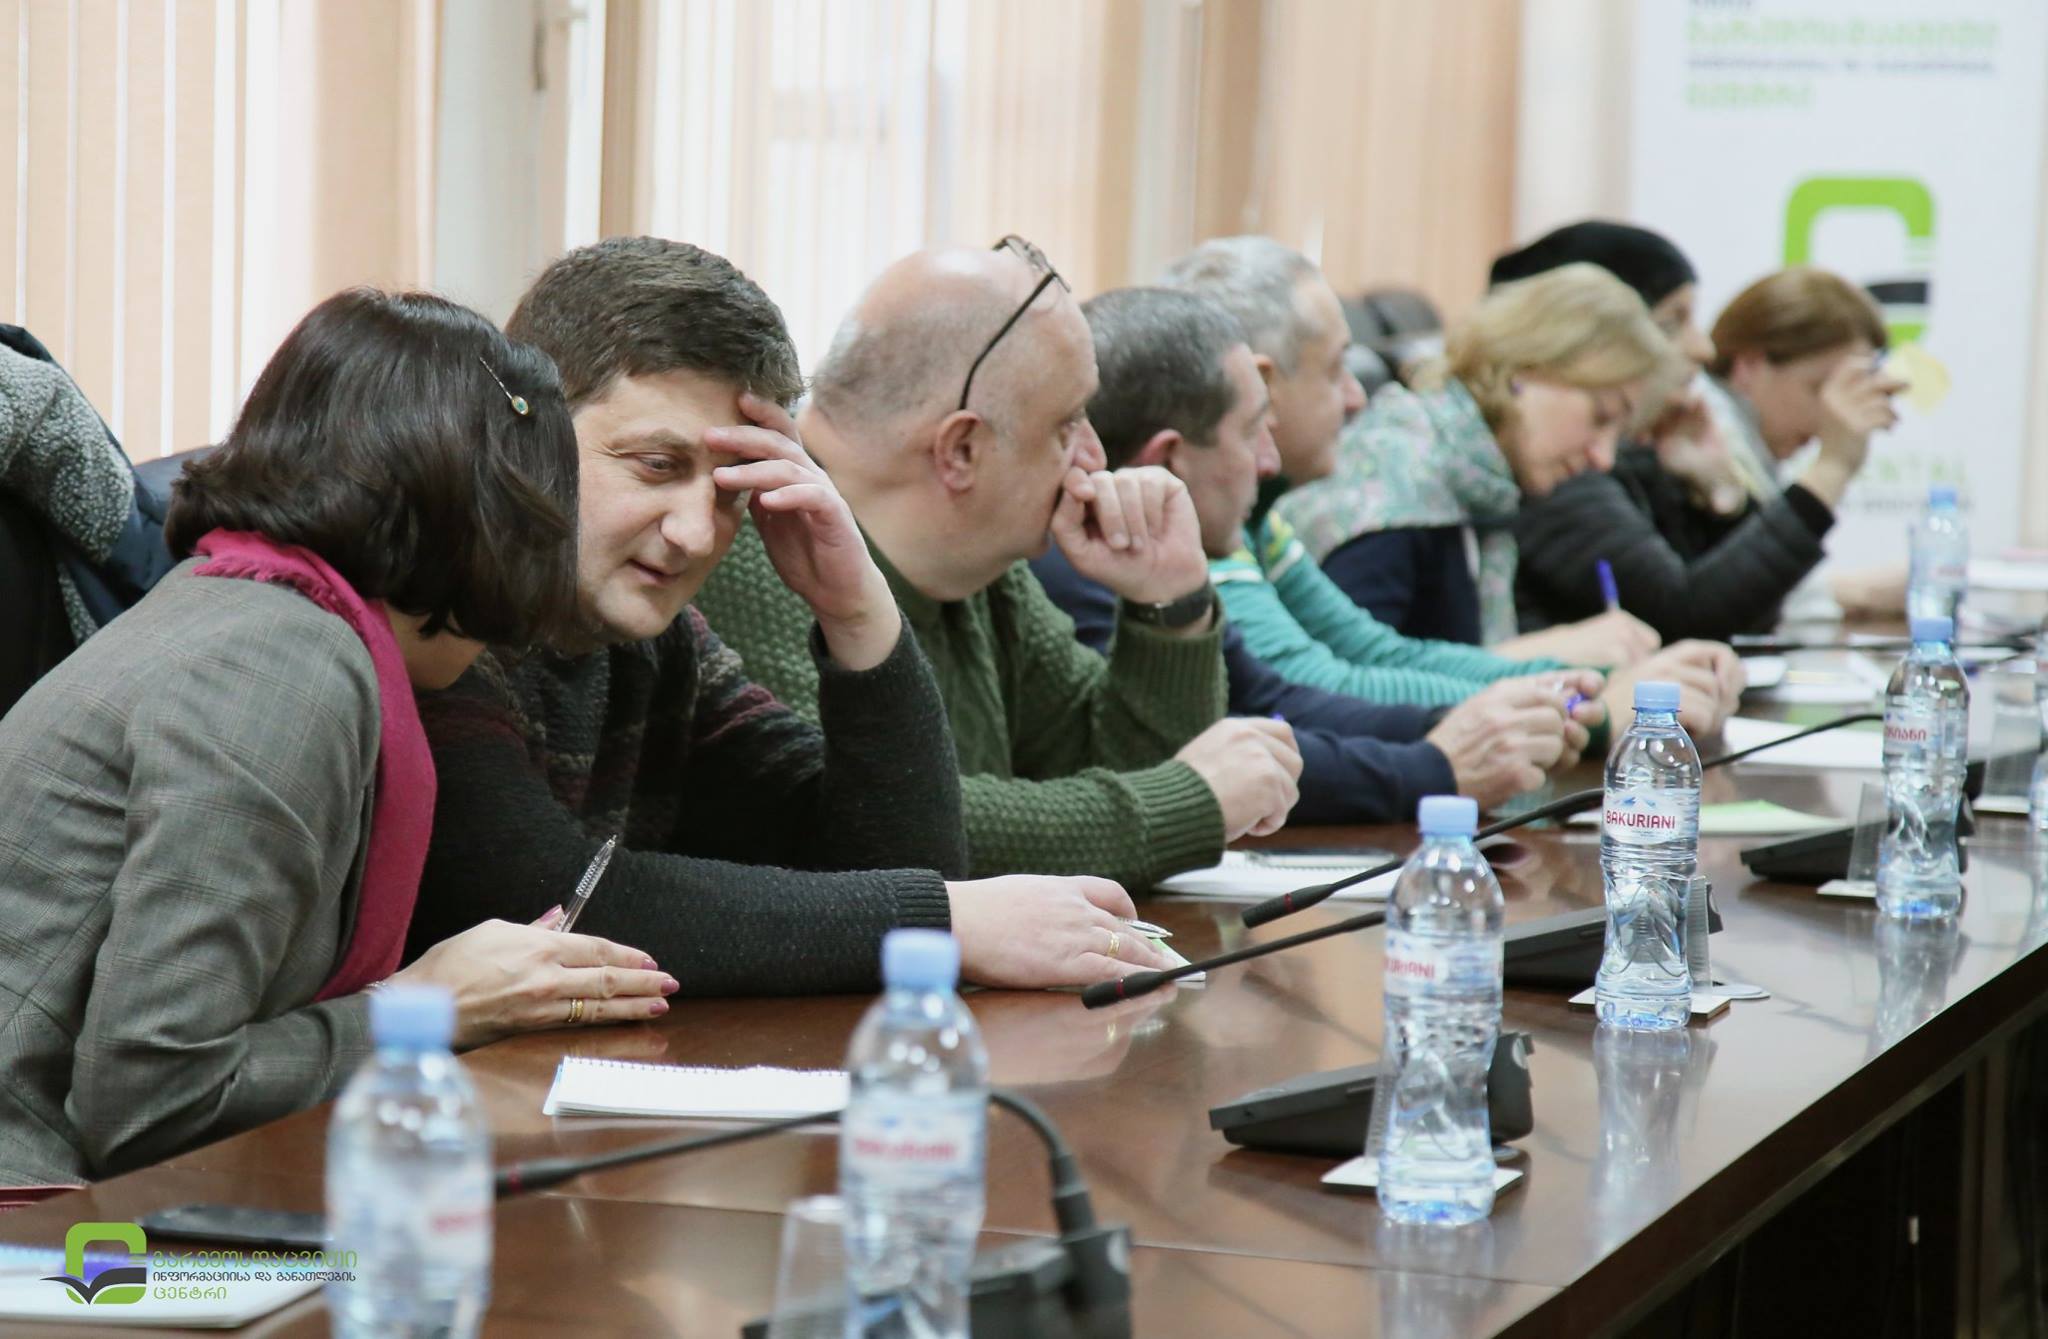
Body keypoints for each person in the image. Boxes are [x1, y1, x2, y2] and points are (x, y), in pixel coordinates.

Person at [0, 289, 677, 1185]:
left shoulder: (238, 610)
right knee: (438, 1248)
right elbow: (153, 1099)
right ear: (494, 519)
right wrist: (425, 1005)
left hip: (74, 1201)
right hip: (41, 1228)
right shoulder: (282, 669)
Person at [410, 237, 1174, 993]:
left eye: (731, 489)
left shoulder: (662, 644)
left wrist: (858, 612)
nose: (696, 533)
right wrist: (941, 921)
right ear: (530, 430)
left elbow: (889, 858)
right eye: (657, 465)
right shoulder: (438, 614)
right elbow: (548, 899)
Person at [692, 239, 1302, 890]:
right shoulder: (751, 540)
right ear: (960, 449)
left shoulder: (981, 564)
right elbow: (868, 819)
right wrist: (1183, 806)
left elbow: (1128, 769)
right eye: (1068, 424)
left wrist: (1169, 606)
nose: (1095, 459)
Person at [1032, 285, 1603, 818]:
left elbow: (1273, 696)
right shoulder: (1071, 569)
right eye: (1252, 430)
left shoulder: (1225, 530)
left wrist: (1463, 723)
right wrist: (1437, 764)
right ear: (1168, 459)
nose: (1270, 460)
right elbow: (1196, 753)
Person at [1162, 238, 1731, 738]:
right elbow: (1313, 690)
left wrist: (1591, 684)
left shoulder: (1257, 516)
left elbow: (1379, 654)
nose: (1358, 399)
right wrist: (1580, 705)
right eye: (1336, 370)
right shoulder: (1386, 491)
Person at [1502, 225, 1901, 638]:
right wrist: (1832, 466)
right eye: (1671, 323)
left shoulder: (1647, 447)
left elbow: (1742, 612)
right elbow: (1685, 614)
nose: (1704, 349)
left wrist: (1722, 501)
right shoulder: (1558, 466)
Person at [1701, 267, 1908, 619]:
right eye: (1818, 388)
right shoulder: (1702, 435)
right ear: (1749, 366)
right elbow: (1722, 596)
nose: (1828, 417)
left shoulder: (1753, 445)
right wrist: (1835, 462)